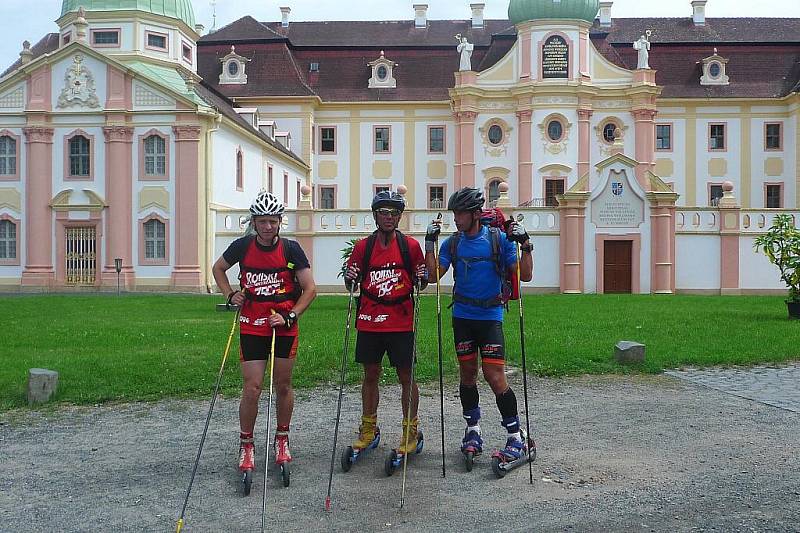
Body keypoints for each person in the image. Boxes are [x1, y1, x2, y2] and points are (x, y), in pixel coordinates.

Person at [424, 187, 534, 464]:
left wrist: (525, 244)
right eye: (454, 213)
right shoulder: (453, 243)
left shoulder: (499, 240)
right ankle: (472, 431)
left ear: (475, 214)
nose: (456, 219)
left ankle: (515, 437)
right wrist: (429, 244)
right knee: (467, 374)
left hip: (490, 317)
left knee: (495, 376)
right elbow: (434, 275)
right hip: (462, 317)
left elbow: (527, 275)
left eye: (460, 213)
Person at [212, 191, 317, 476]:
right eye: (262, 221)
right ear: (254, 222)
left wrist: (290, 315)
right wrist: (230, 294)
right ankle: (246, 443)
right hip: (251, 323)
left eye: (272, 221)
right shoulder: (242, 247)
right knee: (253, 387)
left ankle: (281, 438)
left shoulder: (291, 249)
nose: (268, 227)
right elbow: (218, 268)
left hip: (283, 324)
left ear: (280, 222)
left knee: (282, 385)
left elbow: (310, 289)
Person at [343, 190, 428, 461]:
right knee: (370, 375)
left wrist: (421, 276)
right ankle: (368, 429)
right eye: (383, 212)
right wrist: (350, 276)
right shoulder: (363, 247)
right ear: (375, 215)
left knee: (407, 376)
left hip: (400, 320)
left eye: (393, 213)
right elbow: (351, 284)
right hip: (369, 320)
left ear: (400, 216)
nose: (388, 217)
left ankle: (410, 431)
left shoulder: (410, 247)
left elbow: (422, 282)